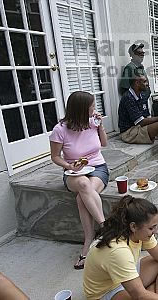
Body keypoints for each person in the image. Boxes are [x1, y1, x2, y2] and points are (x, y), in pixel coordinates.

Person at [83, 195, 158, 300]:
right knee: (147, 293)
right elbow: (139, 295)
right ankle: (156, 293)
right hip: (107, 292)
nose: (156, 231)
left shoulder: (136, 232)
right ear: (133, 226)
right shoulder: (118, 250)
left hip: (125, 275)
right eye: (151, 228)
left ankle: (156, 294)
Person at [49, 91, 109, 270]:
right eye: (92, 106)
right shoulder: (60, 130)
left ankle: (88, 243)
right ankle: (105, 227)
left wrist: (100, 126)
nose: (95, 109)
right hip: (74, 172)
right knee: (83, 185)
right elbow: (55, 157)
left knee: (81, 198)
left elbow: (104, 144)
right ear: (82, 109)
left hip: (98, 168)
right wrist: (70, 167)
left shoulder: (92, 123)